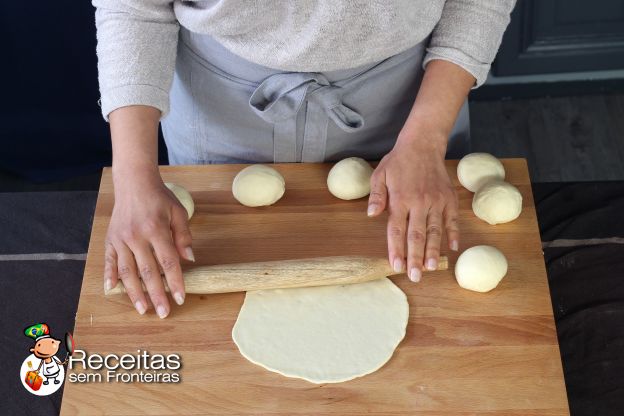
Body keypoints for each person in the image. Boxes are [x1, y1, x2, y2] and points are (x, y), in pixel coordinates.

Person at [93, 0, 516, 318]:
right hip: (224, 104)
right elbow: (134, 7)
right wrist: (133, 177)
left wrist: (425, 139)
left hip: (411, 98)